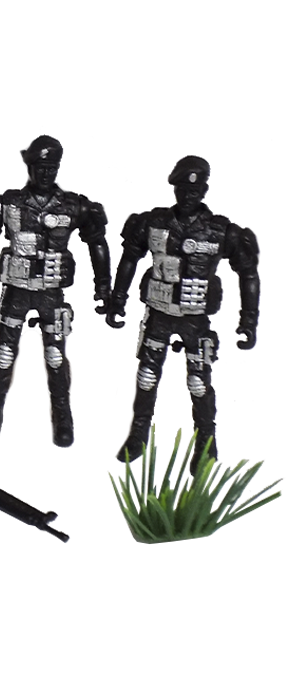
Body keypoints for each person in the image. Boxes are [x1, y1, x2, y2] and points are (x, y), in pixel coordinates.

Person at [106, 155, 260, 470]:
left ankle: (206, 442)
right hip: (158, 315)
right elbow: (129, 258)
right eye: (183, 189)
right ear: (174, 188)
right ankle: (138, 435)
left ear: (204, 190)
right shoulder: (153, 222)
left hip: (195, 320)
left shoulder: (221, 231)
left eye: (195, 189)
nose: (189, 195)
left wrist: (248, 320)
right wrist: (117, 299)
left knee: (198, 382)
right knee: (146, 377)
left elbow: (248, 273)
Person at [0, 135, 111, 446]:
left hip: (51, 294)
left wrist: (104, 288)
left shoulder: (73, 206)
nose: (46, 173)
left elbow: (97, 242)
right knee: (4, 354)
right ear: (30, 166)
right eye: (40, 167)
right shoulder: (8, 204)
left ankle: (63, 417)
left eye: (52, 167)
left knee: (55, 357)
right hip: (16, 292)